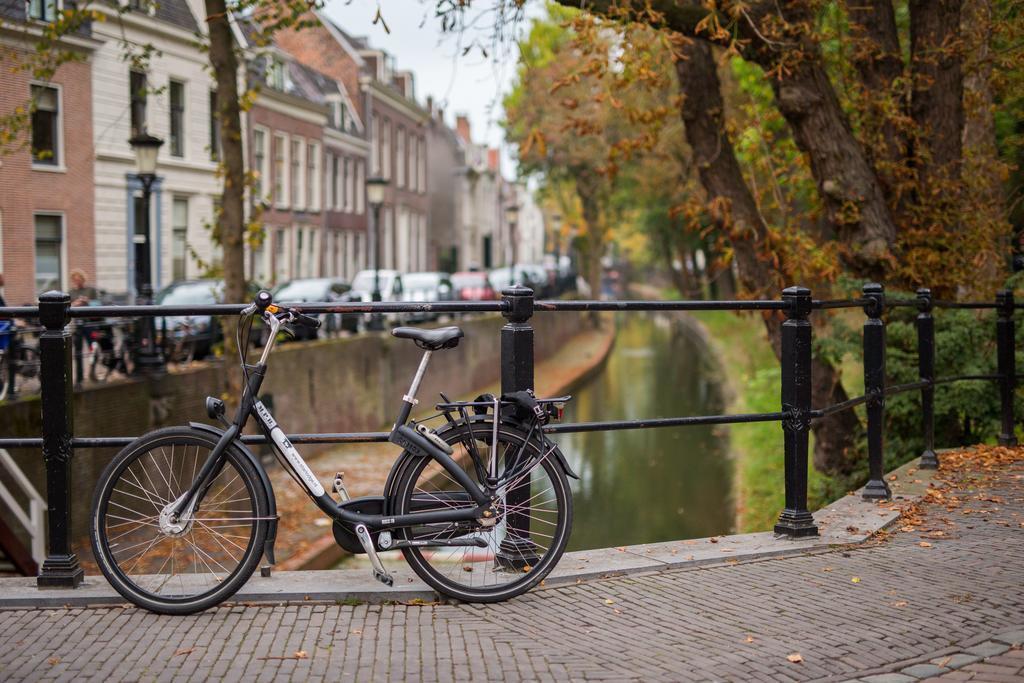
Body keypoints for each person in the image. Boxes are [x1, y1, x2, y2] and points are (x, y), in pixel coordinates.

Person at [69, 269, 101, 385]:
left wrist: (88, 302)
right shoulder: (71, 292)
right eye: (75, 280)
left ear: (83, 279)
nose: (77, 282)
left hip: (90, 324)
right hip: (77, 324)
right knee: (78, 351)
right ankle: (79, 378)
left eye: (79, 279)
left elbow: (98, 304)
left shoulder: (91, 290)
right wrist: (75, 304)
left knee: (94, 347)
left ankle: (92, 371)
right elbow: (67, 307)